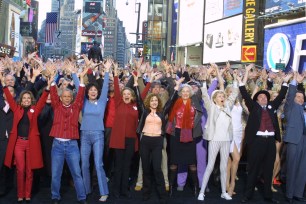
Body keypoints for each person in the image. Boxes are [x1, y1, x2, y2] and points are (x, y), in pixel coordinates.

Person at [239, 64, 291, 203]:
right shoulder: (253, 106)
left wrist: (285, 82)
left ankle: (268, 196)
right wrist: (246, 72)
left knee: (268, 170)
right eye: (260, 97)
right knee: (253, 169)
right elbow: (243, 92)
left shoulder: (272, 106)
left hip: (270, 142)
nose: (263, 98)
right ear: (256, 100)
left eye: (265, 97)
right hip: (257, 141)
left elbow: (281, 96)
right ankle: (247, 195)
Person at [1, 70, 50, 203]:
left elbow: (43, 101)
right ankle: (20, 194)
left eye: (29, 98)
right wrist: (3, 83)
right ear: (21, 100)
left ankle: (27, 195)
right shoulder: (16, 108)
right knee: (20, 170)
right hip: (18, 144)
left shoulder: (35, 109)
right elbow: (9, 97)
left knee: (29, 171)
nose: (27, 100)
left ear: (31, 100)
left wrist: (48, 87)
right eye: (24, 98)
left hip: (31, 144)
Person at [133, 72, 182, 203]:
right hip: (146, 141)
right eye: (152, 100)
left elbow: (171, 101)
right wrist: (136, 85)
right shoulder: (144, 111)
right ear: (149, 102)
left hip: (157, 141)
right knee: (146, 168)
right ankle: (146, 193)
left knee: (157, 168)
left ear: (158, 102)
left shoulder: (162, 112)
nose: (154, 102)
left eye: (156, 100)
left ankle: (162, 195)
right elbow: (138, 100)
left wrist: (176, 88)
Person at [197, 70, 239, 201]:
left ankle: (223, 192)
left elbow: (234, 94)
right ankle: (202, 192)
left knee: (223, 167)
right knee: (210, 165)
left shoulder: (228, 107)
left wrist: (236, 80)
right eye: (219, 96)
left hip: (226, 140)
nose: (222, 97)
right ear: (215, 99)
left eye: (223, 95)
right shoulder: (211, 107)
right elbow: (204, 95)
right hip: (214, 140)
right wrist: (204, 81)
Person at [49, 68, 88, 204]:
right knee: (56, 174)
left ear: (72, 98)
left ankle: (82, 197)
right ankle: (55, 196)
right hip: (57, 145)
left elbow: (81, 94)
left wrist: (81, 79)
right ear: (61, 98)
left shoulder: (76, 106)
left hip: (72, 145)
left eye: (69, 97)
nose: (66, 98)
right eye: (64, 96)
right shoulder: (56, 106)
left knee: (76, 173)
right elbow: (53, 93)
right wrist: (53, 78)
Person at [80, 60, 111, 202]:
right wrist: (76, 74)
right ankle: (87, 189)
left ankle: (104, 192)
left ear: (98, 92)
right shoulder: (83, 102)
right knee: (85, 164)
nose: (93, 91)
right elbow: (79, 86)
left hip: (98, 135)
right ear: (87, 92)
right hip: (84, 135)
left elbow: (105, 86)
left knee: (98, 164)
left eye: (95, 90)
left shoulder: (103, 101)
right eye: (90, 90)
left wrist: (108, 71)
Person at [109, 64, 139, 198]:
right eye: (124, 93)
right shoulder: (118, 103)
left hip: (131, 140)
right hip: (119, 139)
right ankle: (116, 190)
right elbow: (116, 87)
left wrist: (140, 78)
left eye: (128, 93)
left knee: (127, 165)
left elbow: (142, 94)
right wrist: (115, 73)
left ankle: (124, 189)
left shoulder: (135, 106)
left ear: (132, 95)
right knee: (118, 166)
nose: (126, 95)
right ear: (121, 95)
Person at [283, 72, 306, 203]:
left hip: (304, 141)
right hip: (294, 139)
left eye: (302, 97)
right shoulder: (290, 107)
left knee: (303, 169)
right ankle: (289, 194)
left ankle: (298, 192)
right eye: (298, 97)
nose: (300, 99)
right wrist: (294, 82)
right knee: (292, 167)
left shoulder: (304, 109)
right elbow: (291, 95)